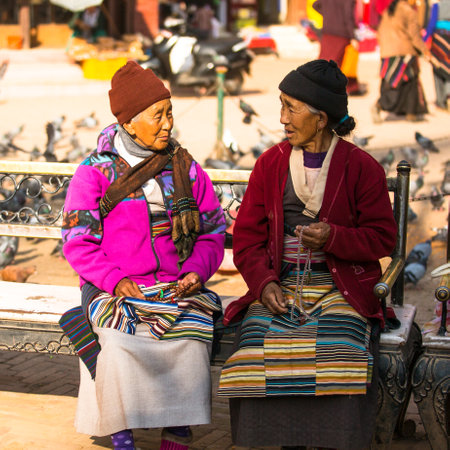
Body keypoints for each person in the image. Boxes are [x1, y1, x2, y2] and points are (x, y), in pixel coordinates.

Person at [217, 59, 398, 449]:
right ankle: (284, 441)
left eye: (290, 107)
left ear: (320, 118)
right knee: (256, 344)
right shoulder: (271, 164)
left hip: (341, 288)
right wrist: (264, 285)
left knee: (343, 348)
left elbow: (383, 238)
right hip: (280, 284)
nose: (281, 117)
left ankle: (334, 441)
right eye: (281, 105)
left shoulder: (361, 167)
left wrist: (334, 238)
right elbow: (247, 240)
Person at [61, 61, 226, 450]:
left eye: (170, 113)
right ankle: (122, 434)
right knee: (118, 342)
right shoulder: (93, 173)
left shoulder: (185, 167)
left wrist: (197, 272)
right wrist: (116, 280)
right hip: (114, 286)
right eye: (158, 115)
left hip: (174, 286)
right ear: (130, 122)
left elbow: (213, 230)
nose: (169, 124)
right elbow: (77, 239)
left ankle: (177, 433)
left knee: (190, 337)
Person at [372, 0, 432, 123]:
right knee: (404, 83)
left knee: (395, 82)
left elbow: (380, 32)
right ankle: (380, 106)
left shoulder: (389, 10)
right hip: (403, 52)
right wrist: (425, 51)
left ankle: (411, 113)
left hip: (387, 52)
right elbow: (415, 37)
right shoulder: (409, 12)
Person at [313, 0, 367, 95]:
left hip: (327, 31)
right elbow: (348, 17)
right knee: (339, 63)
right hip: (342, 33)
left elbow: (315, 5)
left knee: (325, 60)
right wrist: (352, 37)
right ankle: (340, 88)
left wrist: (328, 15)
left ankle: (319, 85)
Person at [424, 0, 450, 111]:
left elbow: (431, 24)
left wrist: (424, 39)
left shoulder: (436, 6)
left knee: (437, 67)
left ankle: (441, 101)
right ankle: (448, 94)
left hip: (439, 39)